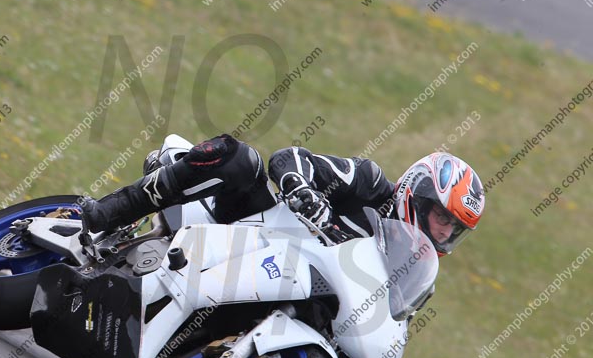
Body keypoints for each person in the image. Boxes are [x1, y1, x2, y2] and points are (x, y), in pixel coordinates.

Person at [78, 134, 485, 255]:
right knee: (240, 160)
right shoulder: (370, 183)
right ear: (419, 193)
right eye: (444, 217)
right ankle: (111, 212)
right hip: (248, 228)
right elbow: (292, 156)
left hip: (282, 284)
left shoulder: (406, 265)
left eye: (454, 228)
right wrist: (302, 188)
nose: (443, 232)